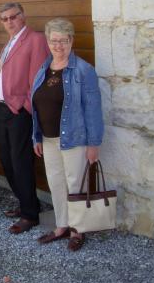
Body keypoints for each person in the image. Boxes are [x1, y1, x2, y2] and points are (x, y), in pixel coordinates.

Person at [31, 18, 104, 251]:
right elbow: (36, 105)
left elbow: (93, 110)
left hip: (74, 138)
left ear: (71, 40)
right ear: (48, 41)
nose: (58, 45)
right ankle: (62, 225)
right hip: (48, 139)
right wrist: (36, 136)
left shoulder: (83, 70)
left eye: (63, 40)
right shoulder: (44, 67)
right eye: (54, 40)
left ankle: (77, 229)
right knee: (56, 183)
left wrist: (94, 144)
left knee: (75, 184)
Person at [0, 2, 50, 234]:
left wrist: (23, 106)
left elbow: (37, 79)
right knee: (8, 161)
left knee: (21, 163)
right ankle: (25, 202)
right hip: (1, 110)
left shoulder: (35, 39)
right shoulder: (10, 42)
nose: (9, 22)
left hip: (19, 113)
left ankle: (29, 214)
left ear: (23, 16)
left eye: (13, 17)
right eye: (4, 19)